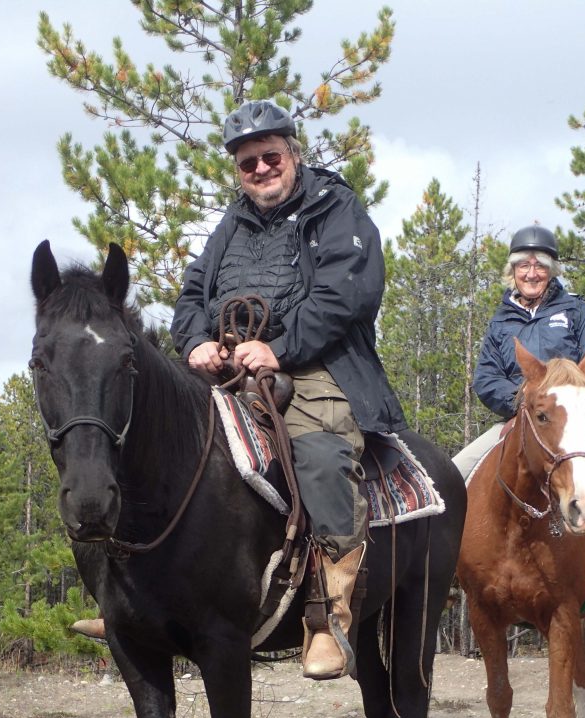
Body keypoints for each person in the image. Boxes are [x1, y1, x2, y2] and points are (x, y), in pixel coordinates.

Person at [73, 99, 407, 677]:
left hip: (314, 367)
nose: (259, 170)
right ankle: (133, 601)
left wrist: (280, 347)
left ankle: (328, 615)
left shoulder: (336, 209)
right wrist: (197, 340)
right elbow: (190, 296)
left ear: (293, 155)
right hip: (228, 368)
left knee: (322, 455)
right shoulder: (234, 222)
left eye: (269, 157)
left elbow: (347, 294)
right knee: (141, 447)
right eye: (247, 162)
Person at [453, 225, 585, 619]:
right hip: (524, 420)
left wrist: (566, 391)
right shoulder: (500, 322)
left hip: (578, 422)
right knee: (452, 476)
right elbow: (484, 378)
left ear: (552, 269)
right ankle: (446, 572)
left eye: (540, 265)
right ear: (512, 271)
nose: (531, 272)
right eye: (523, 265)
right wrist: (525, 399)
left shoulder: (577, 311)